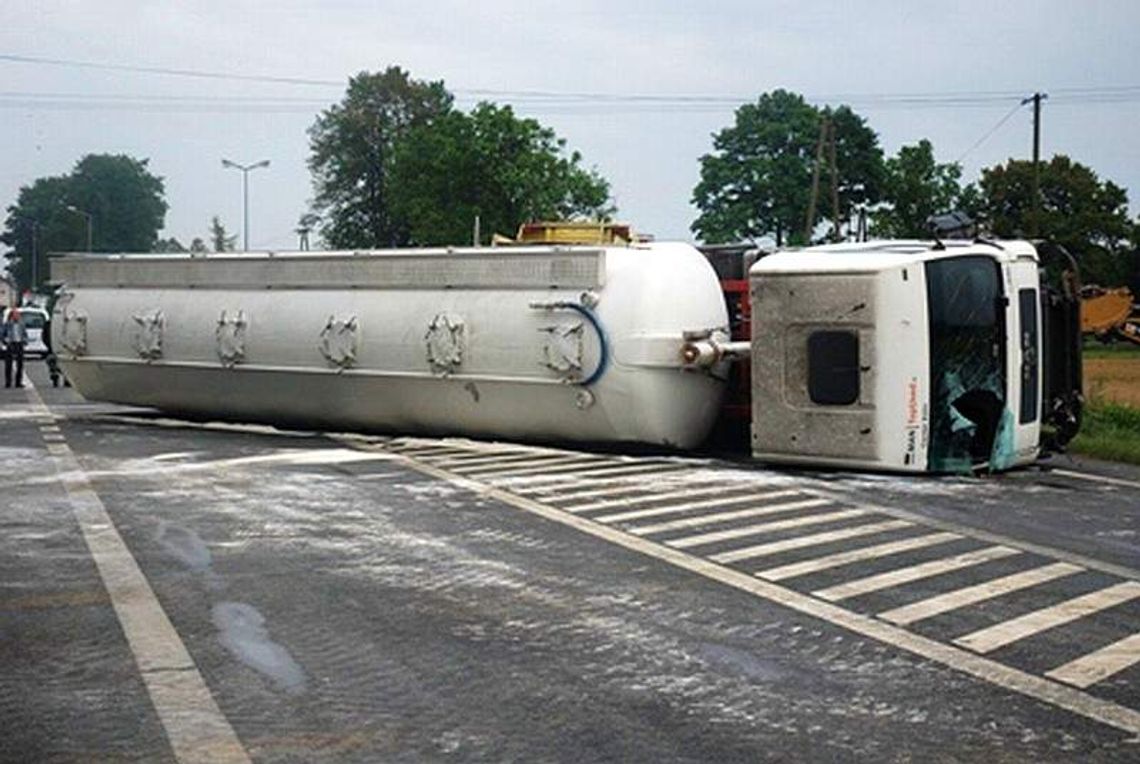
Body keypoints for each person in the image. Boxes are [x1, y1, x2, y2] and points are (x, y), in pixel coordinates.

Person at [2, 307, 27, 388]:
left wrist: (25, 341)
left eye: (18, 314)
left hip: (19, 344)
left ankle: (18, 382)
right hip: (11, 344)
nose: (17, 316)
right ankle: (8, 382)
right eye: (15, 314)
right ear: (12, 315)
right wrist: (5, 341)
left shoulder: (22, 324)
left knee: (20, 364)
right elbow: (2, 334)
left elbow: (24, 334)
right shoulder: (8, 324)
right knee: (8, 364)